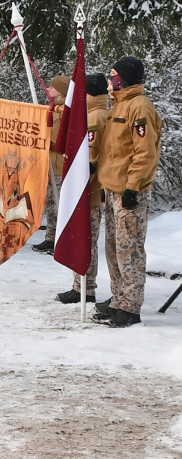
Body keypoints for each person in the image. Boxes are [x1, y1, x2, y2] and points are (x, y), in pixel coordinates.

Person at [93, 56, 161, 328]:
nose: (110, 81)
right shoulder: (117, 106)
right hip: (111, 190)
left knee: (129, 249)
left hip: (129, 193)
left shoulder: (139, 106)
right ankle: (118, 299)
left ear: (125, 77)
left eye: (114, 75)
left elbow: (145, 153)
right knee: (113, 248)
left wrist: (133, 187)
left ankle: (131, 307)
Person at [57, 73, 109, 304]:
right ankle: (80, 286)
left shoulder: (96, 116)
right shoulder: (89, 114)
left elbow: (94, 154)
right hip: (83, 189)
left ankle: (86, 288)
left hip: (90, 191)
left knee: (86, 239)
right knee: (81, 238)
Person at [33, 75, 70, 254]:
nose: (48, 89)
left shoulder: (68, 112)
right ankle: (50, 237)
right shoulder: (49, 109)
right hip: (47, 164)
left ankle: (61, 239)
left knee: (59, 203)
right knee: (50, 203)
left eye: (52, 87)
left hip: (60, 165)